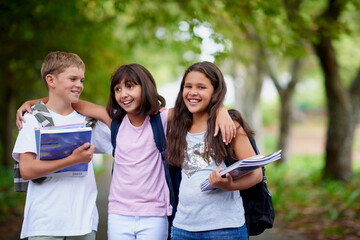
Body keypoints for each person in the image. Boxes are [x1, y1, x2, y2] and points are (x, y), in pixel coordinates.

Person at [16, 63, 236, 240]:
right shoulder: (115, 122)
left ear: (145, 88)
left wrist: (222, 110)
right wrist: (35, 102)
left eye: (130, 86)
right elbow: (74, 103)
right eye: (118, 89)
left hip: (155, 214)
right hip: (118, 213)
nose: (123, 94)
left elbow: (195, 103)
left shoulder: (161, 119)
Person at [12, 51, 112, 240]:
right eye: (73, 79)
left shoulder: (89, 121)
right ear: (51, 80)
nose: (79, 85)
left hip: (83, 223)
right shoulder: (32, 119)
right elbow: (27, 169)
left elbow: (121, 136)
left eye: (82, 80)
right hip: (44, 224)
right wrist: (72, 160)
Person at [166, 61, 263, 240]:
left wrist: (229, 185)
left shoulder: (230, 126)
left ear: (215, 92)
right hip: (182, 228)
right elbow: (149, 113)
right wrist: (220, 108)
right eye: (188, 86)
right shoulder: (176, 122)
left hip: (225, 229)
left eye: (201, 87)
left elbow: (256, 174)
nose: (193, 92)